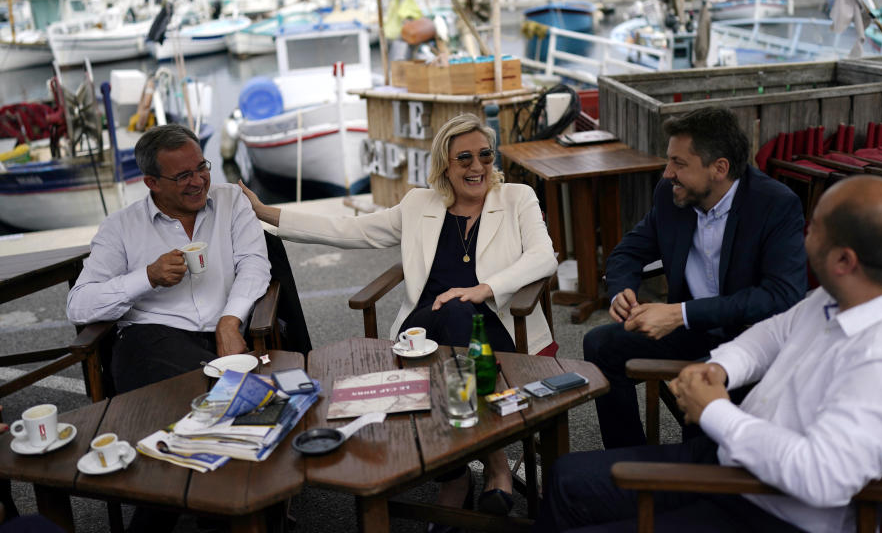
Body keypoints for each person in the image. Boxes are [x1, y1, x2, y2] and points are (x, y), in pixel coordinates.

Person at [536, 175, 882, 532]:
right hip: (732, 462)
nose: (804, 237)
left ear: (845, 260)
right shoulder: (844, 293)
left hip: (769, 510)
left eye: (814, 230)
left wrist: (716, 411)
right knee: (563, 478)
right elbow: (771, 335)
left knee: (575, 505)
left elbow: (823, 478)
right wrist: (719, 369)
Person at [241, 113, 557, 520]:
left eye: (484, 155)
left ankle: (456, 477)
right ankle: (493, 463)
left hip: (496, 325)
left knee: (462, 314)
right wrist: (266, 212)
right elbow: (349, 229)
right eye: (464, 158)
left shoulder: (517, 198)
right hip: (423, 329)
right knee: (453, 321)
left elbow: (543, 257)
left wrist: (483, 289)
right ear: (444, 163)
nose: (477, 167)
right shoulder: (418, 204)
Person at [583, 106, 807, 449]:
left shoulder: (775, 204)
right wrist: (622, 293)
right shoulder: (671, 195)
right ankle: (629, 459)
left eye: (679, 163)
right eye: (669, 160)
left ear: (719, 168)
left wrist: (680, 313)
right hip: (688, 330)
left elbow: (781, 295)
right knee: (600, 344)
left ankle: (690, 478)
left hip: (750, 339)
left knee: (698, 424)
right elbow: (627, 252)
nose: (667, 172)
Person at [67, 124, 271, 394]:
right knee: (177, 400)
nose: (198, 181)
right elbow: (79, 305)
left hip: (230, 334)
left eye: (202, 167)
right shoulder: (120, 226)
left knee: (242, 403)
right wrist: (147, 277)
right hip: (156, 346)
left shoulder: (231, 200)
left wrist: (230, 320)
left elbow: (254, 265)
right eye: (184, 175)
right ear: (152, 182)